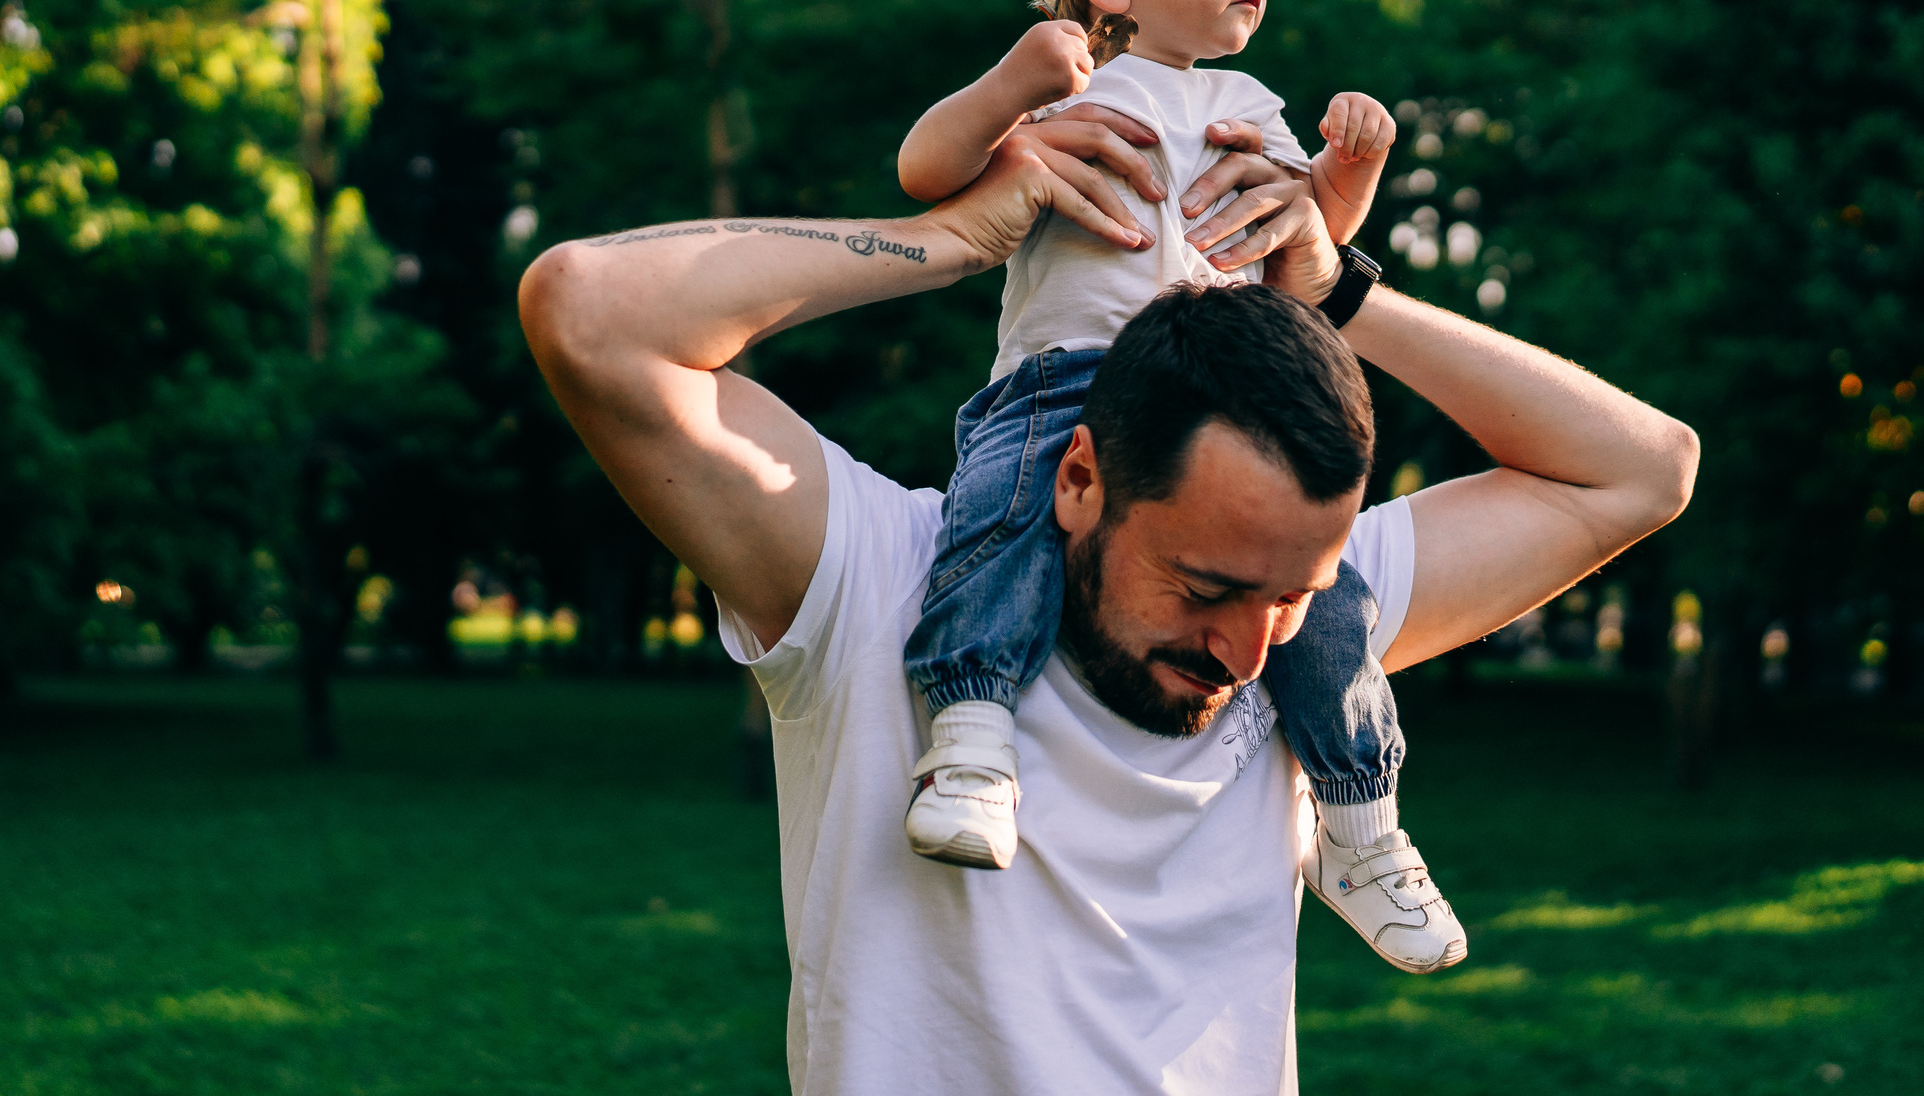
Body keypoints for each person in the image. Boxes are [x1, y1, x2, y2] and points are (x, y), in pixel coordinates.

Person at [517, 75, 1697, 1096]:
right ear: (1078, 476)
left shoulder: (1305, 630)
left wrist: (1340, 294)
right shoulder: (879, 581)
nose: (1247, 650)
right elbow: (590, 308)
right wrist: (959, 235)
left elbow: (1642, 470)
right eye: (1203, 586)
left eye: (1291, 594)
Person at [891, 0, 1460, 972]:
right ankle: (970, 736)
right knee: (998, 526)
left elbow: (1303, 244)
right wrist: (1012, 84)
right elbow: (926, 173)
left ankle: (1358, 825)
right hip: (1062, 385)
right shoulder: (1064, 93)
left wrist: (1347, 171)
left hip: (1222, 400)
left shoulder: (1248, 109)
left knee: (1319, 602)